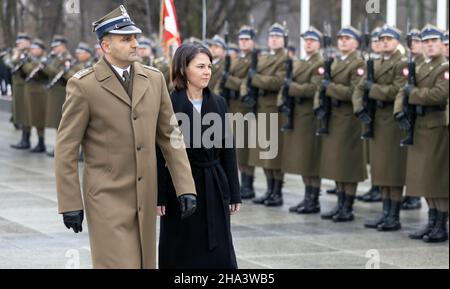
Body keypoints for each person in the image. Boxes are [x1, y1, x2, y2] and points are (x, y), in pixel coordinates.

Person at [54, 5, 197, 269]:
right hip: (106, 197)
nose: (135, 44)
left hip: (145, 195)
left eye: (135, 38)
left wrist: (185, 186)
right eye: (126, 39)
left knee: (143, 263)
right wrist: (70, 202)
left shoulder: (153, 79)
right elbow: (66, 148)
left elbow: (170, 136)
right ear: (105, 46)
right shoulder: (83, 86)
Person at [157, 43, 241, 269]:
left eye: (209, 67)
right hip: (181, 187)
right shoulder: (169, 103)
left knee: (218, 251)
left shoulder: (219, 103)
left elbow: (227, 149)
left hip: (214, 183)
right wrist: (160, 195)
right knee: (182, 248)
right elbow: (159, 152)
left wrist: (234, 192)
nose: (207, 72)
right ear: (184, 69)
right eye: (200, 66)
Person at [394, 25, 449, 243]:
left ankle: (440, 225)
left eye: (433, 41)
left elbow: (438, 95)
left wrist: (413, 93)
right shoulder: (421, 67)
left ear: (442, 44)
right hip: (420, 126)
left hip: (436, 127)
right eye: (425, 42)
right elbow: (403, 91)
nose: (429, 45)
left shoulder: (444, 68)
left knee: (437, 180)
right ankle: (432, 221)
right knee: (425, 179)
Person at [353, 25, 408, 231]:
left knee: (392, 172)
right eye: (382, 39)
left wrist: (372, 89)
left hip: (392, 122)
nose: (385, 42)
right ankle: (385, 213)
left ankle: (393, 215)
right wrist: (359, 108)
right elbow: (359, 88)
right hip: (376, 120)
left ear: (396, 42)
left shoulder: (401, 64)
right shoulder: (375, 63)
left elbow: (396, 91)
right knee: (381, 170)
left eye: (389, 39)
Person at [315, 26, 367, 222]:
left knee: (348, 165)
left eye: (347, 38)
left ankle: (348, 206)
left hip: (349, 119)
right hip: (334, 118)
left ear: (356, 42)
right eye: (341, 38)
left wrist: (331, 88)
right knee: (337, 164)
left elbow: (353, 92)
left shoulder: (358, 63)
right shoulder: (336, 62)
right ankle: (340, 203)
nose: (343, 41)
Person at [241, 23, 287, 207]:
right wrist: (246, 92)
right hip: (260, 107)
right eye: (271, 37)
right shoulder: (263, 59)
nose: (274, 40)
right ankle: (269, 190)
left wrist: (256, 79)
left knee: (274, 155)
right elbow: (248, 79)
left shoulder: (285, 60)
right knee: (264, 154)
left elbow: (276, 82)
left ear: (283, 40)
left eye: (277, 37)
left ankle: (277, 192)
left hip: (274, 109)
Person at [280, 27, 323, 214]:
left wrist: (292, 88)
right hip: (299, 116)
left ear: (319, 44)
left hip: (310, 117)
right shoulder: (300, 62)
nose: (308, 43)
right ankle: (307, 197)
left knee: (311, 160)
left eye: (312, 41)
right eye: (306, 40)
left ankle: (313, 199)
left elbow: (314, 88)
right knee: (305, 161)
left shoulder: (319, 63)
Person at [221, 25, 257, 199]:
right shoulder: (236, 60)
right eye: (241, 39)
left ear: (253, 41)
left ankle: (248, 185)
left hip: (244, 106)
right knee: (237, 148)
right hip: (233, 106)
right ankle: (243, 184)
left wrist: (229, 80)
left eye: (246, 39)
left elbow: (247, 82)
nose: (243, 42)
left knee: (245, 147)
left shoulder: (254, 60)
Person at [400, 28, 424, 210]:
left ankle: (414, 195)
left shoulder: (423, 63)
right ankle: (410, 193)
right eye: (412, 41)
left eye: (417, 41)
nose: (413, 44)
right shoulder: (411, 62)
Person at [43, 35, 73, 157]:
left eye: (56, 46)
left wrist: (47, 66)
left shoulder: (67, 58)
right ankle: (59, 148)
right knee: (57, 122)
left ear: (63, 46)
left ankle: (62, 150)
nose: (54, 49)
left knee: (61, 122)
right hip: (55, 93)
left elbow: (61, 74)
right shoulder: (57, 57)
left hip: (61, 92)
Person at [21, 38, 49, 153]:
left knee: (38, 118)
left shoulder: (43, 59)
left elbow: (33, 72)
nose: (32, 50)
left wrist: (26, 64)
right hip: (30, 91)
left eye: (34, 48)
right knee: (28, 116)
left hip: (39, 92)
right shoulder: (33, 59)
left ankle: (41, 142)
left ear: (41, 49)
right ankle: (27, 139)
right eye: (31, 48)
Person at [5, 33, 31, 149]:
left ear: (27, 42)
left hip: (26, 86)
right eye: (18, 42)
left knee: (26, 113)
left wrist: (18, 56)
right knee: (20, 112)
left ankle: (26, 139)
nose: (18, 44)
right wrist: (15, 55)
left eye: (21, 42)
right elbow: (9, 63)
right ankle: (24, 138)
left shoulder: (30, 53)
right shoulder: (15, 52)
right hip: (17, 86)